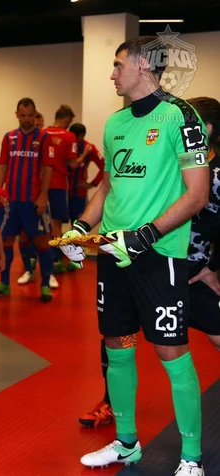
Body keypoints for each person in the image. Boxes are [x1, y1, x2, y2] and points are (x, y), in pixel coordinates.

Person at [60, 36, 209, 475]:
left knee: (171, 350)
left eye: (117, 64)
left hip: (158, 254)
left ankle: (192, 457)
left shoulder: (181, 116)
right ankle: (126, 443)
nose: (111, 74)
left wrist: (144, 237)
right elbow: (108, 186)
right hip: (112, 255)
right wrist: (81, 229)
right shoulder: (115, 122)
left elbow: (197, 194)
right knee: (118, 345)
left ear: (143, 65)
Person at [77, 96, 220, 434]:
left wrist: (214, 266)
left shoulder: (214, 177)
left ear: (205, 129)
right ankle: (111, 402)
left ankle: (190, 449)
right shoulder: (167, 162)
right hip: (152, 266)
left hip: (192, 275)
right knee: (119, 337)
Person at [0, 97, 54, 302]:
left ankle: (45, 284)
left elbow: (47, 169)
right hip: (11, 201)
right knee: (6, 241)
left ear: (35, 115)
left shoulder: (44, 138)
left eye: (30, 116)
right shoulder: (9, 137)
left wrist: (43, 195)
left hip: (33, 201)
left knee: (42, 242)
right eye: (23, 115)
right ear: (17, 115)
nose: (27, 119)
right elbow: (2, 166)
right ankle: (4, 283)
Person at [44, 104, 78, 280]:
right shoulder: (69, 136)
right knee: (56, 224)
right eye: (69, 121)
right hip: (58, 184)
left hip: (42, 184)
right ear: (66, 119)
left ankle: (41, 261)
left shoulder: (42, 133)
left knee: (44, 224)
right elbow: (73, 163)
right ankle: (56, 260)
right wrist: (83, 157)